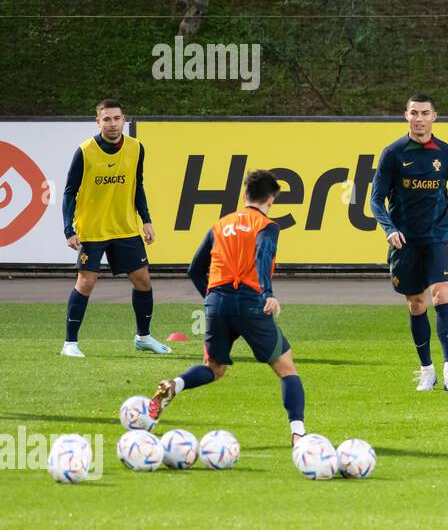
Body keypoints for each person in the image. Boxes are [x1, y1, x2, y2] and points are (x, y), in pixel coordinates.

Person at [147, 170, 310, 447]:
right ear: (271, 200)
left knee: (214, 368)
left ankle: (175, 385)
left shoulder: (220, 224)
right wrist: (268, 294)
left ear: (245, 195)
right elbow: (263, 254)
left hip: (217, 302)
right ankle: (299, 433)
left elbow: (194, 269)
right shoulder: (267, 225)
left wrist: (212, 298)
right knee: (287, 369)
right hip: (250, 302)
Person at [370, 94, 448, 393]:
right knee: (416, 303)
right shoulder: (393, 153)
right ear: (405, 116)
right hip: (405, 241)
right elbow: (376, 199)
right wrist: (389, 228)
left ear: (435, 116)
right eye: (414, 113)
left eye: (425, 113)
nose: (419, 118)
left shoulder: (446, 154)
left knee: (440, 294)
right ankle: (427, 370)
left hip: (438, 236)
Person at [61, 99, 171, 357]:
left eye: (117, 118)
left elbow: (138, 185)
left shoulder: (136, 148)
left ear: (124, 120)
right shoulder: (85, 151)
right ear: (98, 122)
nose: (112, 124)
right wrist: (69, 229)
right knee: (86, 281)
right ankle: (70, 344)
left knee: (143, 280)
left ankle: (143, 337)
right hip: (93, 229)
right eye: (107, 119)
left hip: (125, 228)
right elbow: (69, 192)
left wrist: (146, 219)